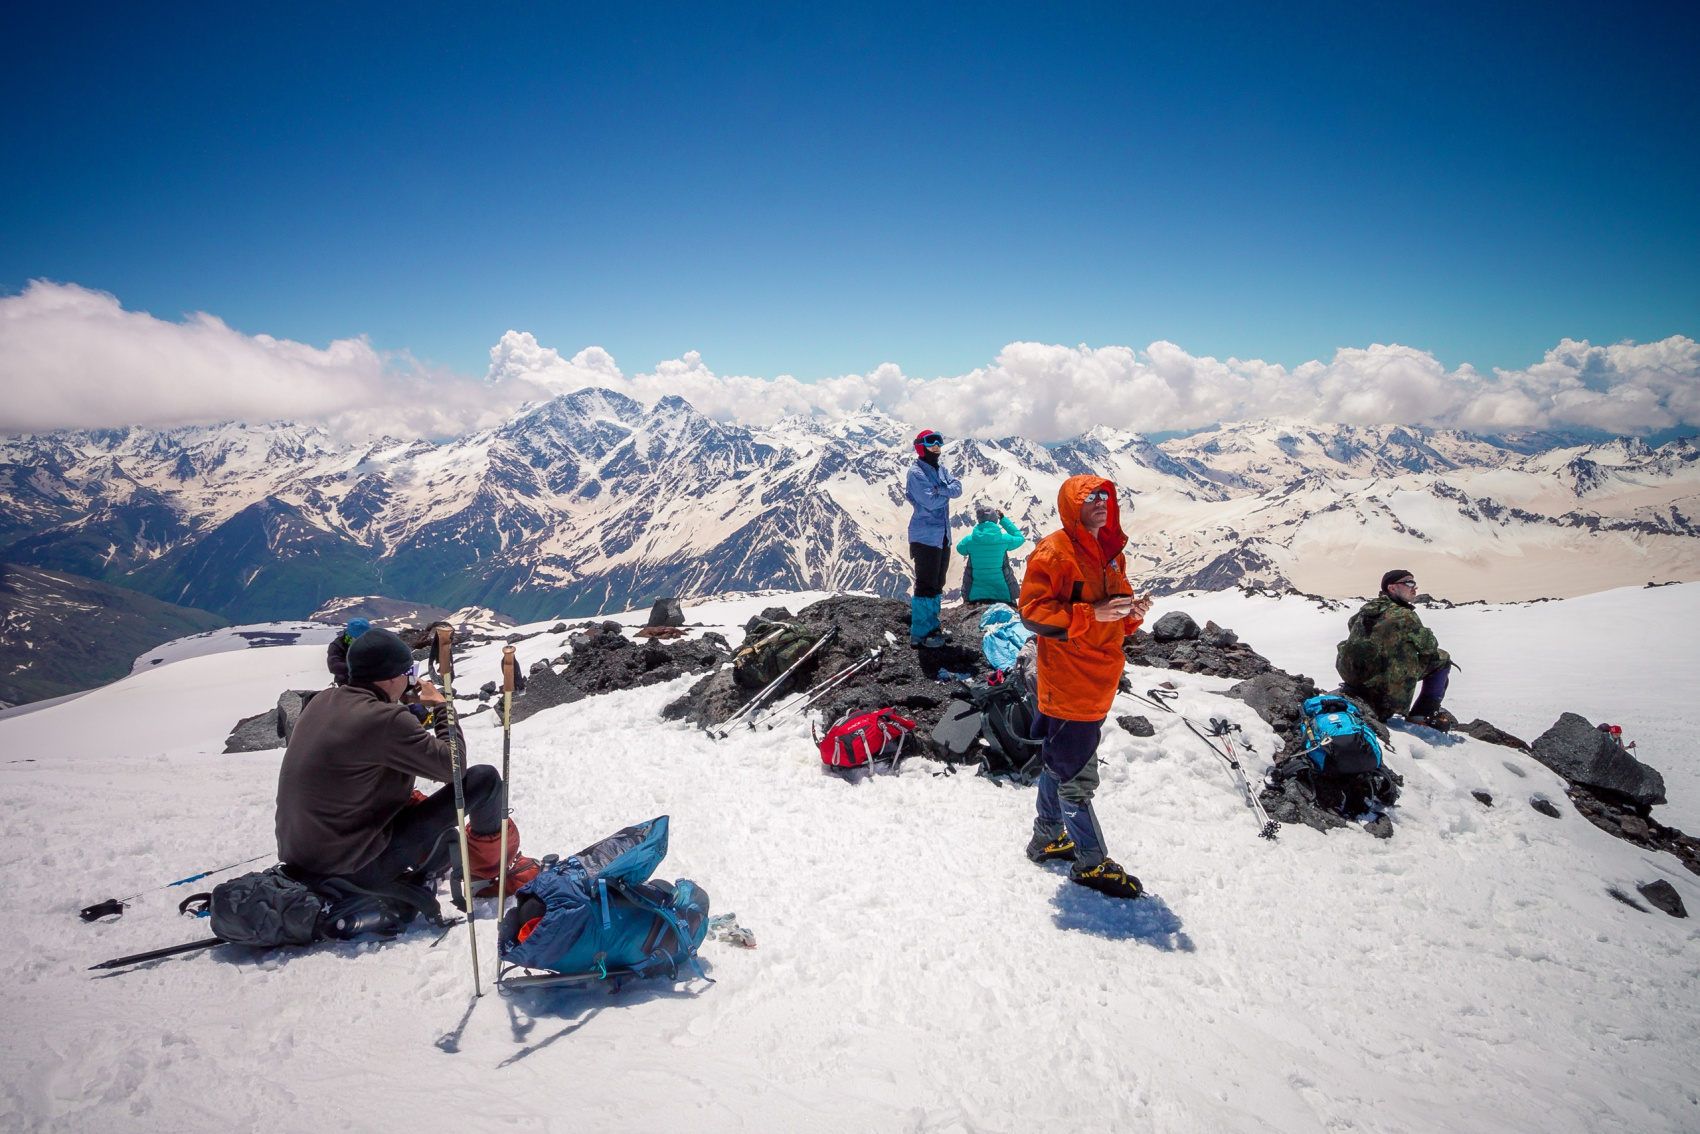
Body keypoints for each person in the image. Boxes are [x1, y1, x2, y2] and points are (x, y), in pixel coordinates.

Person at [276, 627, 538, 900]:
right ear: (391, 678)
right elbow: (454, 768)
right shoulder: (385, 719)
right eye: (409, 673)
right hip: (353, 868)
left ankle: (438, 855)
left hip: (301, 860)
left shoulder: (321, 702)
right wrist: (441, 705)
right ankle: (489, 874)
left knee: (411, 799)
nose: (413, 679)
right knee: (484, 780)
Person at [1018, 475, 1152, 899]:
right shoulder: (1055, 552)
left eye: (1105, 496)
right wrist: (1093, 613)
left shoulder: (1111, 554)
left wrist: (1132, 612)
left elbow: (1112, 611)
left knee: (1060, 760)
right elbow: (1034, 612)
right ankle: (1091, 863)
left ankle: (1047, 837)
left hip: (1096, 680)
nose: (1100, 503)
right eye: (1090, 497)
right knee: (1076, 774)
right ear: (1071, 505)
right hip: (1069, 680)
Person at [1335, 570, 1456, 731]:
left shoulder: (1365, 611)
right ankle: (1422, 714)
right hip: (1384, 693)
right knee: (1442, 658)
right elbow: (1429, 646)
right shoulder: (1403, 615)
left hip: (1357, 682)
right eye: (1409, 583)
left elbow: (1352, 627)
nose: (1415, 587)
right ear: (1392, 588)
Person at [905, 429, 963, 648]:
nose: (937, 446)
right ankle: (920, 633)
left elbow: (957, 489)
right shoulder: (916, 473)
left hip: (942, 536)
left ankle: (932, 626)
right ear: (920, 446)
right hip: (925, 537)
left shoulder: (941, 469)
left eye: (939, 441)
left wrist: (940, 490)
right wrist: (943, 492)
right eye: (931, 442)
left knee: (938, 582)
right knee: (925, 583)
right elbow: (931, 502)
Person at [957, 503, 1027, 605]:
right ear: (995, 520)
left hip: (975, 594)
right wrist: (1003, 519)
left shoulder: (969, 540)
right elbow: (1020, 538)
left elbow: (960, 549)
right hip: (1002, 593)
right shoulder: (1004, 539)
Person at [325, 618, 370, 686]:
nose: (362, 640)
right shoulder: (338, 645)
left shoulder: (372, 642)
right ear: (350, 635)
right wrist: (360, 668)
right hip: (346, 685)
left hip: (371, 684)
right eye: (358, 637)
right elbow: (334, 666)